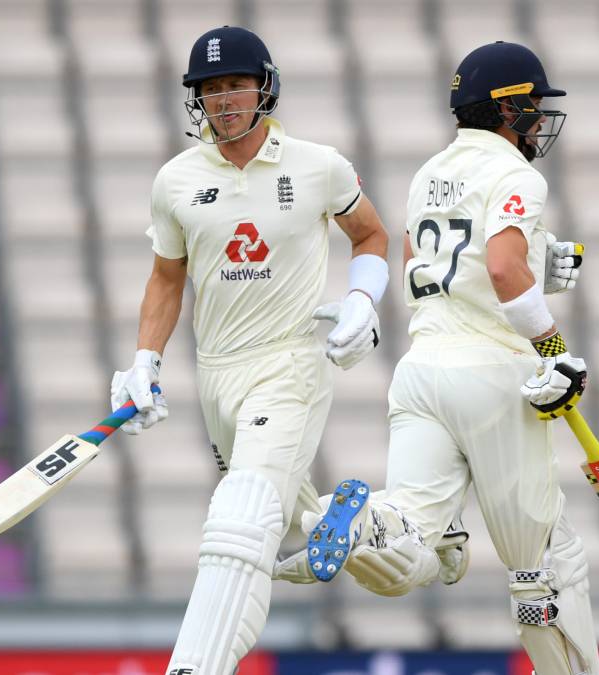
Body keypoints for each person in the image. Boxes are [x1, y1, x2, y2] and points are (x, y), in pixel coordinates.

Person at [309, 42, 599, 675]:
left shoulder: (429, 172)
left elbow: (432, 259)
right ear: (509, 110)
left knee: (416, 544)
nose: (539, 121)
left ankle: (362, 526)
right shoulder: (519, 174)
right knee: (543, 568)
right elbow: (499, 266)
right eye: (532, 107)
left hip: (422, 372)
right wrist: (555, 351)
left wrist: (538, 261)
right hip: (494, 379)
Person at [108, 26, 391, 675]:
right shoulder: (176, 181)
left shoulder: (318, 164)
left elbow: (371, 234)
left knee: (239, 520)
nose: (224, 100)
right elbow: (166, 277)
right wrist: (145, 359)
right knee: (286, 536)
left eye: (235, 84)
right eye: (210, 90)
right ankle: (381, 531)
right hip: (218, 378)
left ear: (264, 87)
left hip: (289, 363)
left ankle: (193, 666)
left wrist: (362, 300)